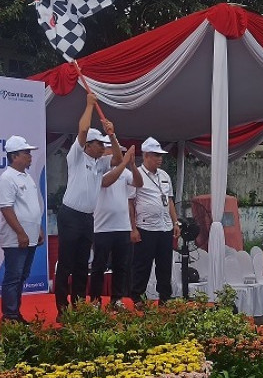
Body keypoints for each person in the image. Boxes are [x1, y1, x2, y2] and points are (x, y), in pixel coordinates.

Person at [55, 92, 118, 317]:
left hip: (87, 218)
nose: (102, 148)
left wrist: (112, 136)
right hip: (70, 215)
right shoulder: (77, 157)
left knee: (83, 265)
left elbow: (118, 159)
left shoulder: (100, 164)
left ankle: (79, 306)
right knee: (66, 264)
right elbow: (82, 130)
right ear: (88, 145)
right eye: (99, 144)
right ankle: (62, 308)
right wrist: (89, 105)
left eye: (103, 144)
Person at [0, 135, 44, 325]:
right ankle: (9, 316)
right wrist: (21, 233)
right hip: (16, 238)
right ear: (14, 156)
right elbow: (6, 208)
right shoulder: (7, 178)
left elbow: (31, 207)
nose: (30, 156)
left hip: (30, 235)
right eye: (26, 153)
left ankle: (15, 313)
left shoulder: (27, 176)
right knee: (13, 277)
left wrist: (38, 229)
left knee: (22, 276)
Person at [128, 137, 180, 305]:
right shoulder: (136, 174)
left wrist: (175, 222)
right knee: (142, 264)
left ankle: (165, 296)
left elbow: (169, 200)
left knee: (165, 264)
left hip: (164, 227)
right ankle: (137, 295)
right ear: (146, 156)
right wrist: (133, 228)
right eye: (156, 155)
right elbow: (130, 202)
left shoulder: (164, 175)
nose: (160, 158)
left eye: (161, 155)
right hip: (146, 227)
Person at [91, 135, 139, 308]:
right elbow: (105, 182)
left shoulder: (125, 172)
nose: (117, 153)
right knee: (99, 266)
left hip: (122, 226)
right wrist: (124, 163)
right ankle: (95, 300)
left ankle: (116, 299)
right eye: (112, 148)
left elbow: (136, 187)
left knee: (121, 265)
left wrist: (131, 165)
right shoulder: (97, 168)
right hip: (102, 226)